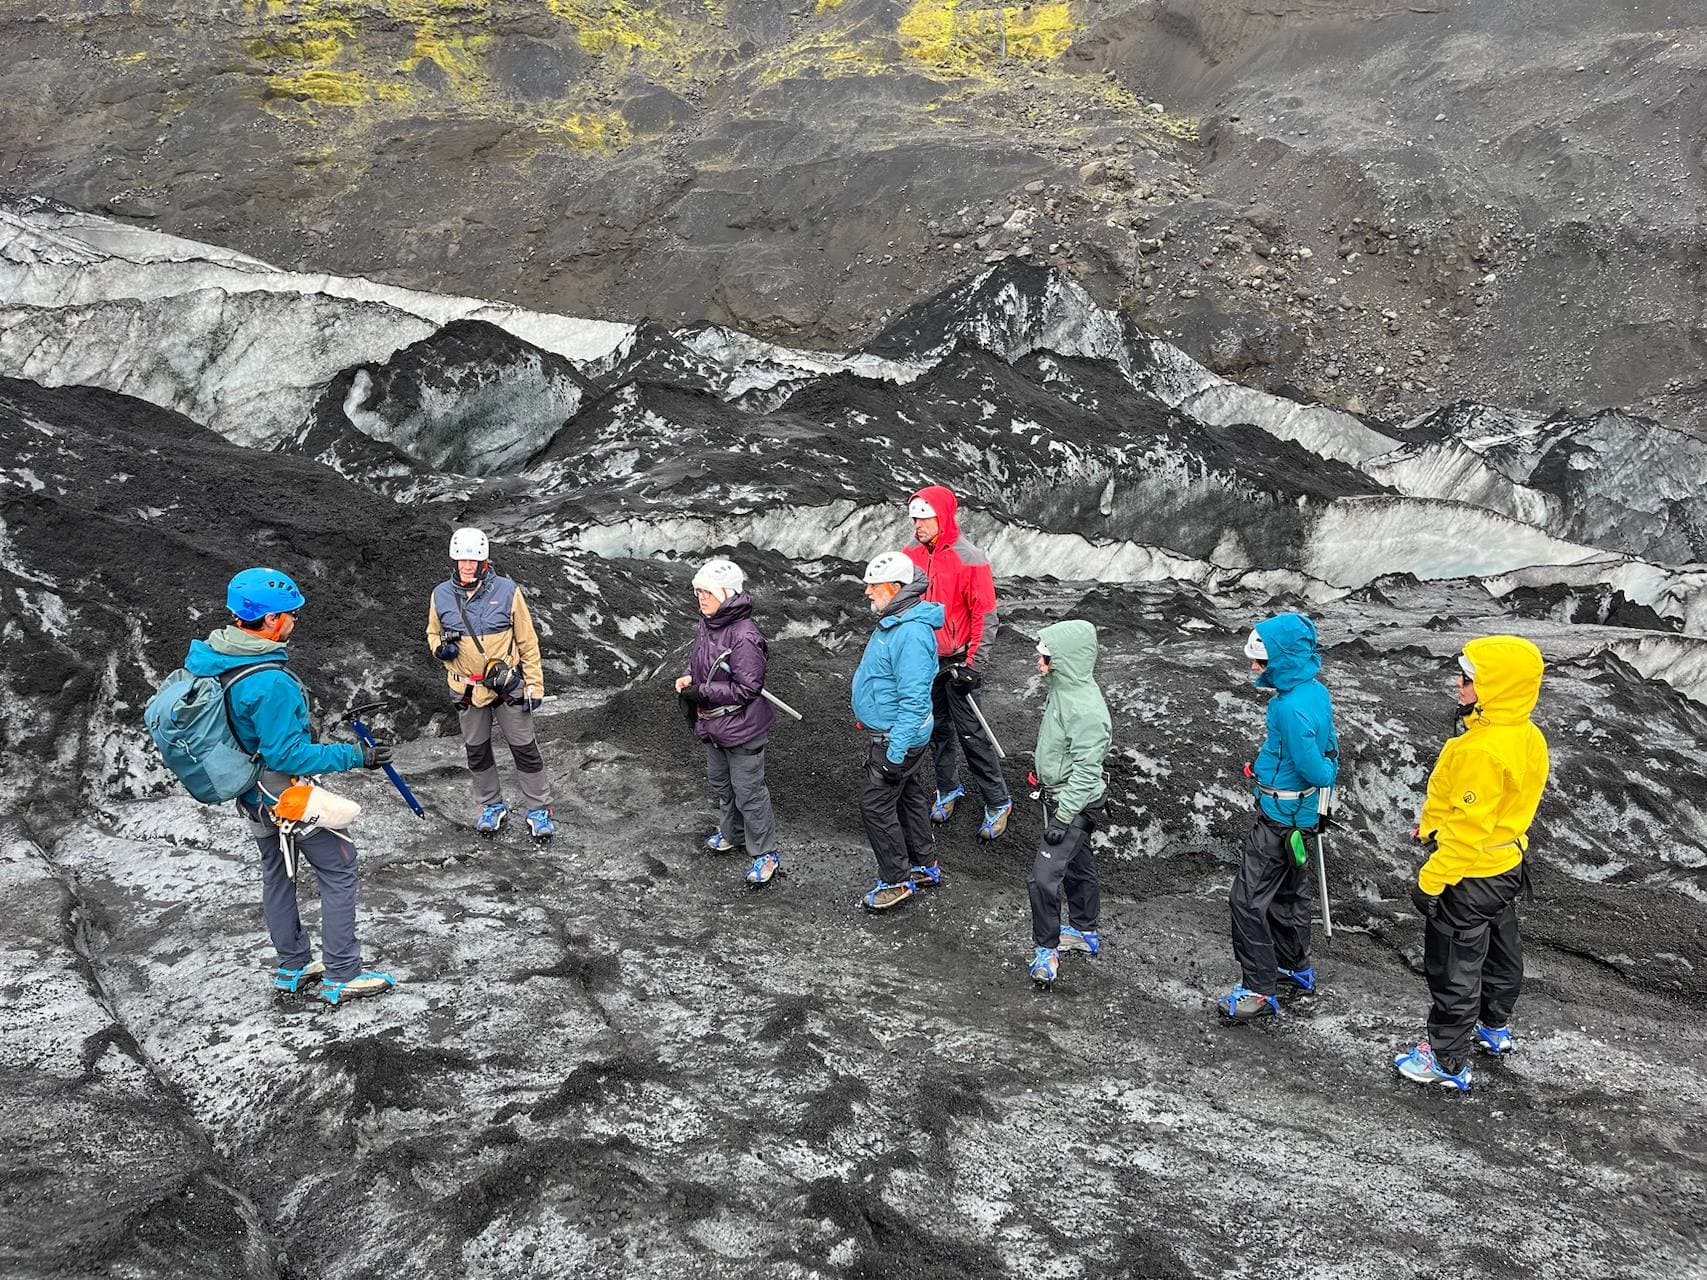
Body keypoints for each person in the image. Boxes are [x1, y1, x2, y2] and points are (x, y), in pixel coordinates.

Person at [180, 567, 396, 1005]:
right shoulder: (270, 681)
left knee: (277, 874)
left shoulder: (217, 657)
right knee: (339, 867)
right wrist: (355, 755)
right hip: (284, 793)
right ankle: (343, 973)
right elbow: (287, 755)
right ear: (271, 619)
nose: (295, 620)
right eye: (291, 614)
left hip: (249, 791)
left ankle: (292, 966)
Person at [1394, 636, 1550, 1092]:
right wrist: (1432, 828)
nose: (1458, 684)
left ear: (1496, 687)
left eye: (1468, 678)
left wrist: (1431, 880)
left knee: (1453, 966)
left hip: (1469, 875)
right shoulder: (1526, 734)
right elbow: (1494, 811)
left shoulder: (1481, 750)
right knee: (1501, 949)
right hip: (1505, 866)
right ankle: (1493, 1027)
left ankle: (1447, 1061)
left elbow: (1467, 831)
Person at [1219, 613, 1339, 1023]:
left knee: (1246, 900)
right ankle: (1294, 968)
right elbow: (1328, 747)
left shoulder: (1287, 708)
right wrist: (1266, 770)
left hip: (1278, 820)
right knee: (1288, 895)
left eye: (1261, 660)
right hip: (1299, 818)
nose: (1254, 667)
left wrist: (1323, 777)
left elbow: (1316, 767)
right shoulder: (1315, 692)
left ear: (1283, 660)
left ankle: (1258, 989)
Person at [426, 527, 555, 839]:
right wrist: (440, 649)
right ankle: (491, 806)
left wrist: (535, 685)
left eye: (473, 561)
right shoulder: (440, 594)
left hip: (507, 686)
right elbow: (432, 632)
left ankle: (538, 809)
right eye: (462, 560)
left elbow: (527, 641)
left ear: (484, 561)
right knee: (477, 751)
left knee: (525, 749)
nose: (467, 566)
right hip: (466, 689)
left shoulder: (508, 591)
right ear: (454, 561)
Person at [902, 485, 1013, 841]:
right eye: (914, 519)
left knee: (971, 733)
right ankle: (948, 788)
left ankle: (998, 801)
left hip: (959, 661)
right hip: (925, 659)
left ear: (943, 517)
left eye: (924, 518)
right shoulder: (909, 554)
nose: (917, 525)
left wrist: (974, 664)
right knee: (936, 728)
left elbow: (985, 614)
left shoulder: (970, 558)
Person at [674, 557, 781, 887]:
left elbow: (748, 689)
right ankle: (733, 834)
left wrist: (701, 692)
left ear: (727, 593)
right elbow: (701, 662)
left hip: (742, 726)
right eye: (698, 592)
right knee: (722, 782)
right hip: (714, 724)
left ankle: (766, 854)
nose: (701, 598)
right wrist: (689, 677)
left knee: (749, 792)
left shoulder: (745, 636)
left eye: (707, 592)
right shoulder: (707, 624)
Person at [850, 550, 945, 911]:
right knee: (908, 795)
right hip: (897, 735)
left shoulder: (911, 633)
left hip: (897, 738)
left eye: (873, 585)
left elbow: (915, 702)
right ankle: (924, 864)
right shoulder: (897, 622)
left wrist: (894, 753)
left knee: (875, 805)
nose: (867, 591)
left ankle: (896, 881)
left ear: (895, 587)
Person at [1025, 620, 1112, 989]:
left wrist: (1062, 818)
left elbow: (1087, 772)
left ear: (1065, 661)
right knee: (1078, 864)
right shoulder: (1064, 689)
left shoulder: (1087, 710)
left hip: (1074, 803)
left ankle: (1047, 951)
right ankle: (1083, 930)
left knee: (1042, 878)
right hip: (1062, 795)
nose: (1039, 664)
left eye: (1045, 658)